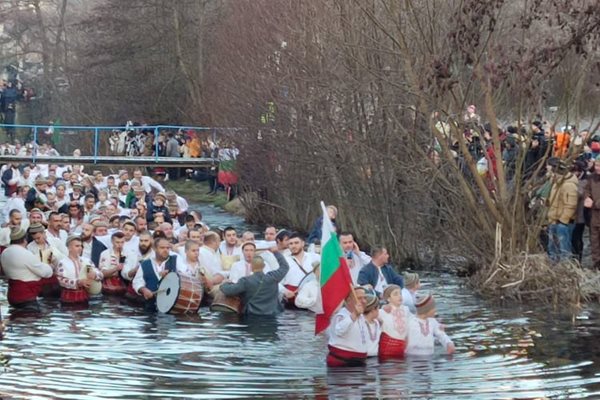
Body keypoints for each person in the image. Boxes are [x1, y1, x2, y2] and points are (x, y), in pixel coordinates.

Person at [219, 250, 290, 316]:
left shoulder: (246, 281)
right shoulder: (273, 277)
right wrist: (276, 252)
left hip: (252, 316)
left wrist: (224, 284)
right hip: (273, 315)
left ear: (251, 267)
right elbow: (285, 267)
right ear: (264, 266)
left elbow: (228, 290)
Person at [0, 228, 54, 307]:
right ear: (25, 240)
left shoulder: (5, 252)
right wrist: (50, 266)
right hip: (26, 297)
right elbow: (45, 273)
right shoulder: (24, 253)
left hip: (12, 295)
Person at [132, 237, 181, 311]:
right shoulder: (145, 264)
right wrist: (143, 290)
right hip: (151, 308)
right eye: (162, 248)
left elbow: (187, 276)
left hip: (173, 307)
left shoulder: (176, 260)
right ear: (154, 248)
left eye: (168, 248)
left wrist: (172, 275)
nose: (165, 250)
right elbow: (137, 282)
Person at [326, 287, 368, 367]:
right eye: (359, 298)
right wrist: (354, 314)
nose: (364, 301)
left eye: (365, 298)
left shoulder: (361, 317)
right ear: (348, 300)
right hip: (342, 364)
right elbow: (339, 331)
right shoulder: (341, 316)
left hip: (358, 362)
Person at [56, 236, 103, 304]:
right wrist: (78, 282)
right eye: (77, 246)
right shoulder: (62, 263)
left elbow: (100, 274)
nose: (80, 248)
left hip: (85, 296)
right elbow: (60, 280)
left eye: (81, 246)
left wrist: (95, 274)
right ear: (69, 248)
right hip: (68, 298)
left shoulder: (86, 261)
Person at [546, 161, 578, 262]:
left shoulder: (569, 185)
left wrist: (563, 220)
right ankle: (553, 267)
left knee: (564, 249)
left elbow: (570, 205)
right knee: (552, 247)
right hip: (553, 219)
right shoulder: (556, 183)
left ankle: (566, 268)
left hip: (563, 223)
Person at [282, 233, 320, 306]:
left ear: (303, 243)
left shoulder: (315, 257)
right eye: (291, 244)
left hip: (312, 300)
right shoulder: (284, 262)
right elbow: (276, 282)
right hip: (292, 302)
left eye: (296, 243)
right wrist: (285, 291)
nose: (293, 246)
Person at [378, 284, 410, 358]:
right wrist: (383, 306)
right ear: (388, 298)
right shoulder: (383, 311)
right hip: (388, 347)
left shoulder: (406, 309)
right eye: (395, 294)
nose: (399, 296)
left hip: (403, 346)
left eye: (400, 293)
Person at [99, 231, 131, 295]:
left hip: (125, 283)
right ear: (112, 242)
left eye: (122, 242)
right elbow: (103, 273)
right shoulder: (105, 253)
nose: (120, 245)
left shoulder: (129, 253)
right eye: (117, 242)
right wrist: (115, 269)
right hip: (109, 285)